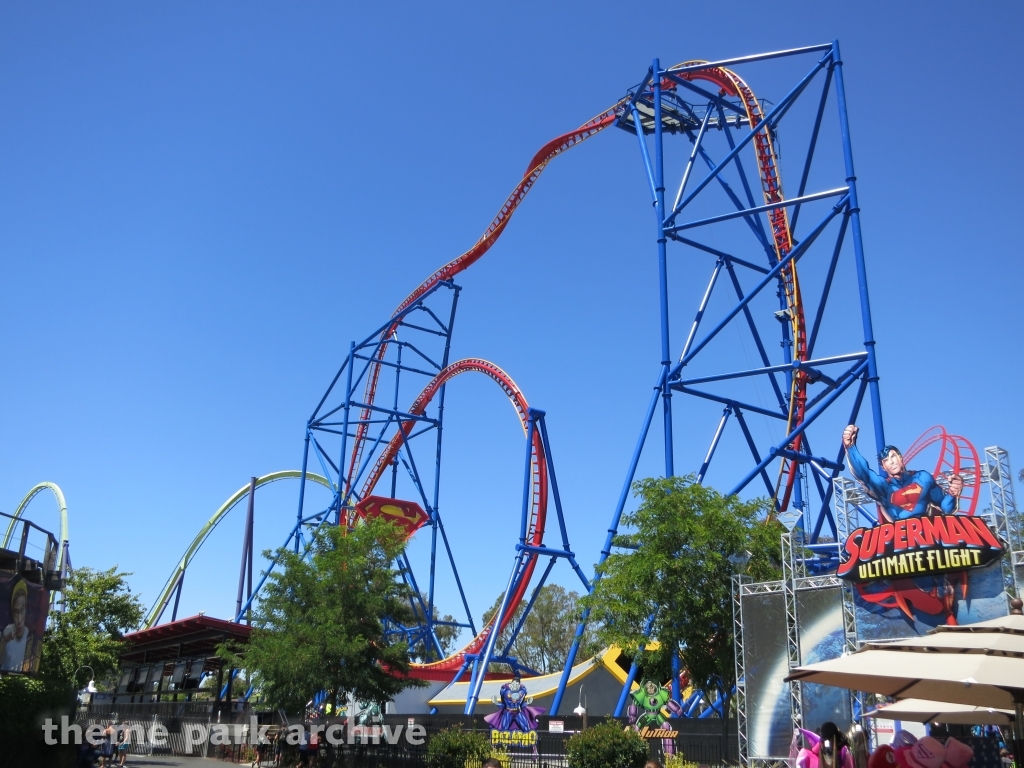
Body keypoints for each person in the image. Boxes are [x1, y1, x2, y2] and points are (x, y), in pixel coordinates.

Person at [842, 425, 962, 521]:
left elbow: (946, 508)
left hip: (926, 535)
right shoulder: (884, 487)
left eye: (893, 456)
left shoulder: (922, 478)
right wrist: (850, 447)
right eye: (886, 460)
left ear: (900, 457)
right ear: (883, 467)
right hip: (898, 541)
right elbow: (864, 475)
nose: (891, 462)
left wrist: (952, 493)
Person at [0, 578, 40, 672]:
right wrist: (3, 642)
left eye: (22, 611)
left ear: (26, 610)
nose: (19, 618)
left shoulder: (29, 636)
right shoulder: (6, 632)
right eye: (16, 612)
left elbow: (30, 667)